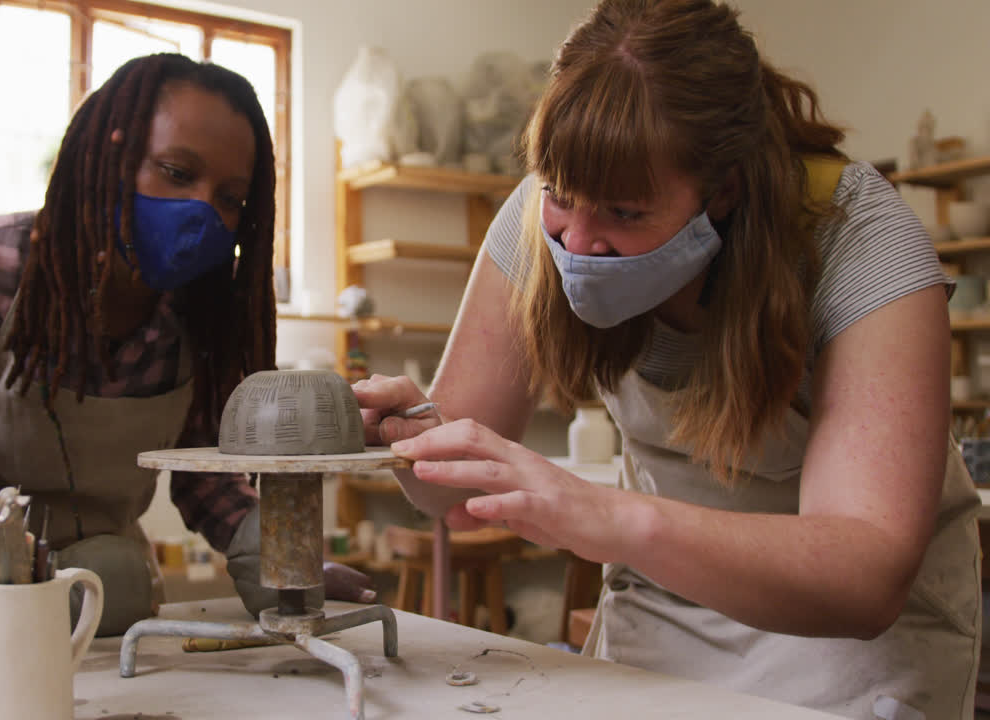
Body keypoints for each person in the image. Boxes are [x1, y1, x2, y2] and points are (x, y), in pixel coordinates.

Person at [352, 1, 980, 717]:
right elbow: (451, 494)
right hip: (665, 606)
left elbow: (860, 579)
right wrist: (412, 437)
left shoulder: (857, 240)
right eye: (561, 196)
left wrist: (605, 517)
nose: (578, 243)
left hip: (853, 646)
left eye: (624, 213)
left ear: (724, 191)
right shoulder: (545, 210)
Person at [0, 53, 373, 637]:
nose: (203, 210)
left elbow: (204, 476)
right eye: (178, 173)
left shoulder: (202, 311)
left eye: (230, 198)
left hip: (109, 585)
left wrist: (282, 558)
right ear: (113, 156)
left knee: (116, 581)